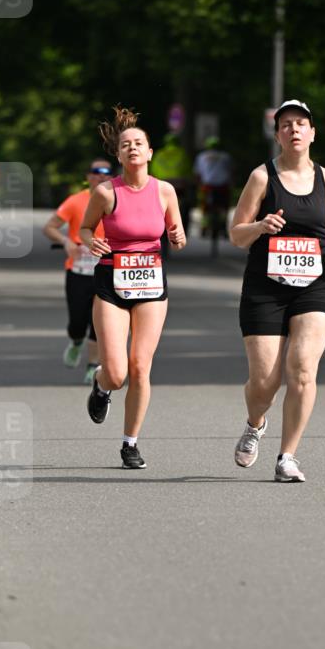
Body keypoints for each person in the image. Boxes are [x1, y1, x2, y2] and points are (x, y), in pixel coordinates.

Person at [229, 99, 325, 483]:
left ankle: (288, 456)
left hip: (315, 287)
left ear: (313, 133)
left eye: (301, 124)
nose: (295, 130)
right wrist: (260, 227)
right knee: (265, 382)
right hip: (265, 289)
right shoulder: (261, 177)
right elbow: (236, 235)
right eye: (286, 124)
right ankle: (255, 423)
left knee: (302, 369)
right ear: (278, 135)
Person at [80, 106, 186, 469]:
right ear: (119, 154)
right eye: (126, 145)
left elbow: (175, 230)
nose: (132, 148)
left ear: (150, 152)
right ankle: (101, 384)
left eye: (139, 143)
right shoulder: (107, 193)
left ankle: (130, 444)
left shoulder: (165, 191)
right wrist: (89, 241)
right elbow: (84, 228)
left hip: (152, 281)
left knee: (141, 366)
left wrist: (178, 234)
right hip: (111, 281)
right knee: (117, 371)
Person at [42, 159, 112, 384]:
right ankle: (75, 341)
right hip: (78, 270)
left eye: (107, 172)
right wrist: (65, 242)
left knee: (101, 320)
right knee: (77, 322)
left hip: (108, 270)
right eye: (97, 172)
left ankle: (93, 365)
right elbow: (49, 227)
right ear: (89, 176)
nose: (102, 176)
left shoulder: (117, 200)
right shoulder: (76, 201)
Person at [193, 135, 233, 257]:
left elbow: (198, 173)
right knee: (224, 207)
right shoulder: (226, 157)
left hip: (207, 187)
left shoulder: (201, 157)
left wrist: (198, 185)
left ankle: (204, 226)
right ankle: (224, 227)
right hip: (222, 187)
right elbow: (231, 171)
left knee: (204, 206)